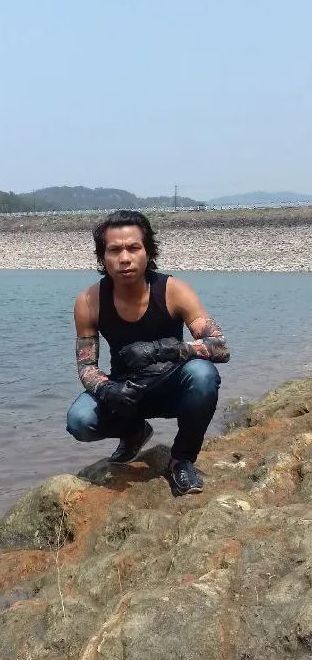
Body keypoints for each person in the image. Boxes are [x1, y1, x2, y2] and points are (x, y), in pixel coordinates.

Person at [66, 210, 230, 496]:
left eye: (134, 248)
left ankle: (182, 460)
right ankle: (134, 433)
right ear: (102, 257)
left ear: (148, 251)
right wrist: (106, 390)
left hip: (172, 387)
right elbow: (86, 367)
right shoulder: (89, 302)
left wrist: (161, 349)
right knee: (80, 421)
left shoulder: (174, 291)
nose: (125, 258)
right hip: (126, 391)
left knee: (203, 375)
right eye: (114, 250)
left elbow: (220, 347)